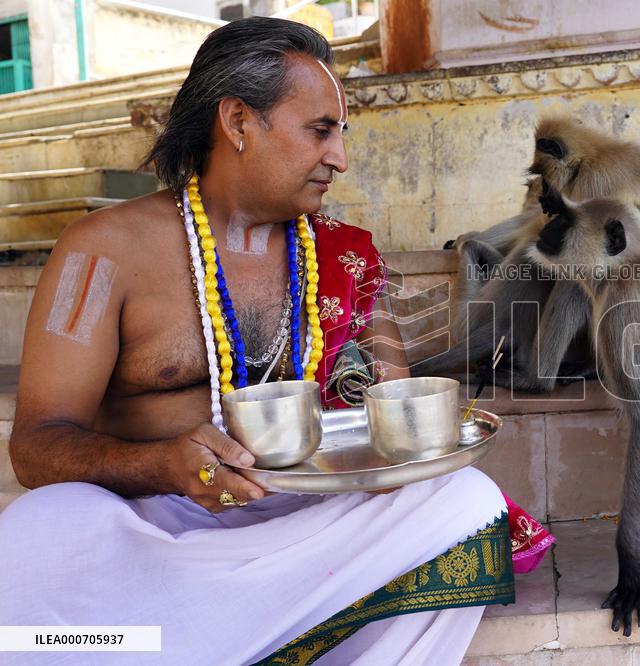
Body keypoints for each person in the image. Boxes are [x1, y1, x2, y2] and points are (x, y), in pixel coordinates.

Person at [0, 18, 515, 664]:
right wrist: (161, 465)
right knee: (34, 535)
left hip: (308, 528)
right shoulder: (101, 253)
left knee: (468, 505)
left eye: (341, 134)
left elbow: (393, 422)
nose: (340, 158)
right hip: (159, 531)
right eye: (321, 131)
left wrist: (407, 444)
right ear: (239, 122)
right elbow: (37, 447)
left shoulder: (345, 258)